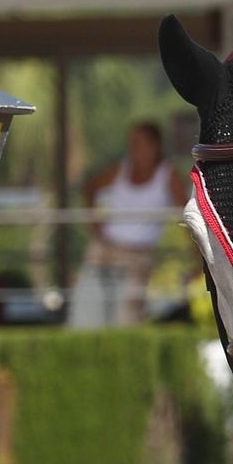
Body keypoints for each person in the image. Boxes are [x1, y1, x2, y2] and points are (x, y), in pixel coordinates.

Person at [73, 121, 187, 326]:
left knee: (126, 317)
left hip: (137, 255)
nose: (133, 148)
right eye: (131, 143)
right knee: (85, 311)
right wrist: (95, 222)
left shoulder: (167, 175)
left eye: (139, 143)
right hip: (105, 248)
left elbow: (186, 214)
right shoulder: (121, 169)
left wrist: (199, 255)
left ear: (155, 146)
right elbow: (90, 187)